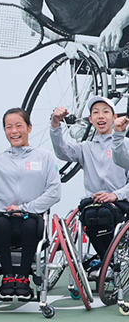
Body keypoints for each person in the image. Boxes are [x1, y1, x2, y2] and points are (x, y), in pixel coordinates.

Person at [0, 107, 61, 300]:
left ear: (29, 128)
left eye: (19, 126)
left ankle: (24, 278)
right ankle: (8, 278)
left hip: (32, 218)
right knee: (0, 223)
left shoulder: (45, 157)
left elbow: (54, 192)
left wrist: (25, 208)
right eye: (9, 127)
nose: (14, 131)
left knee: (29, 224)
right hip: (2, 218)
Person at [50, 96, 129, 269]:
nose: (101, 116)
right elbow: (62, 151)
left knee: (103, 215)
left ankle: (109, 264)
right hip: (94, 205)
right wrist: (55, 124)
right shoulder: (86, 147)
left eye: (105, 112)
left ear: (114, 117)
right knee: (92, 214)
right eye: (96, 112)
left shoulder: (125, 144)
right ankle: (107, 262)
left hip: (120, 202)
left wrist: (115, 195)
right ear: (90, 119)